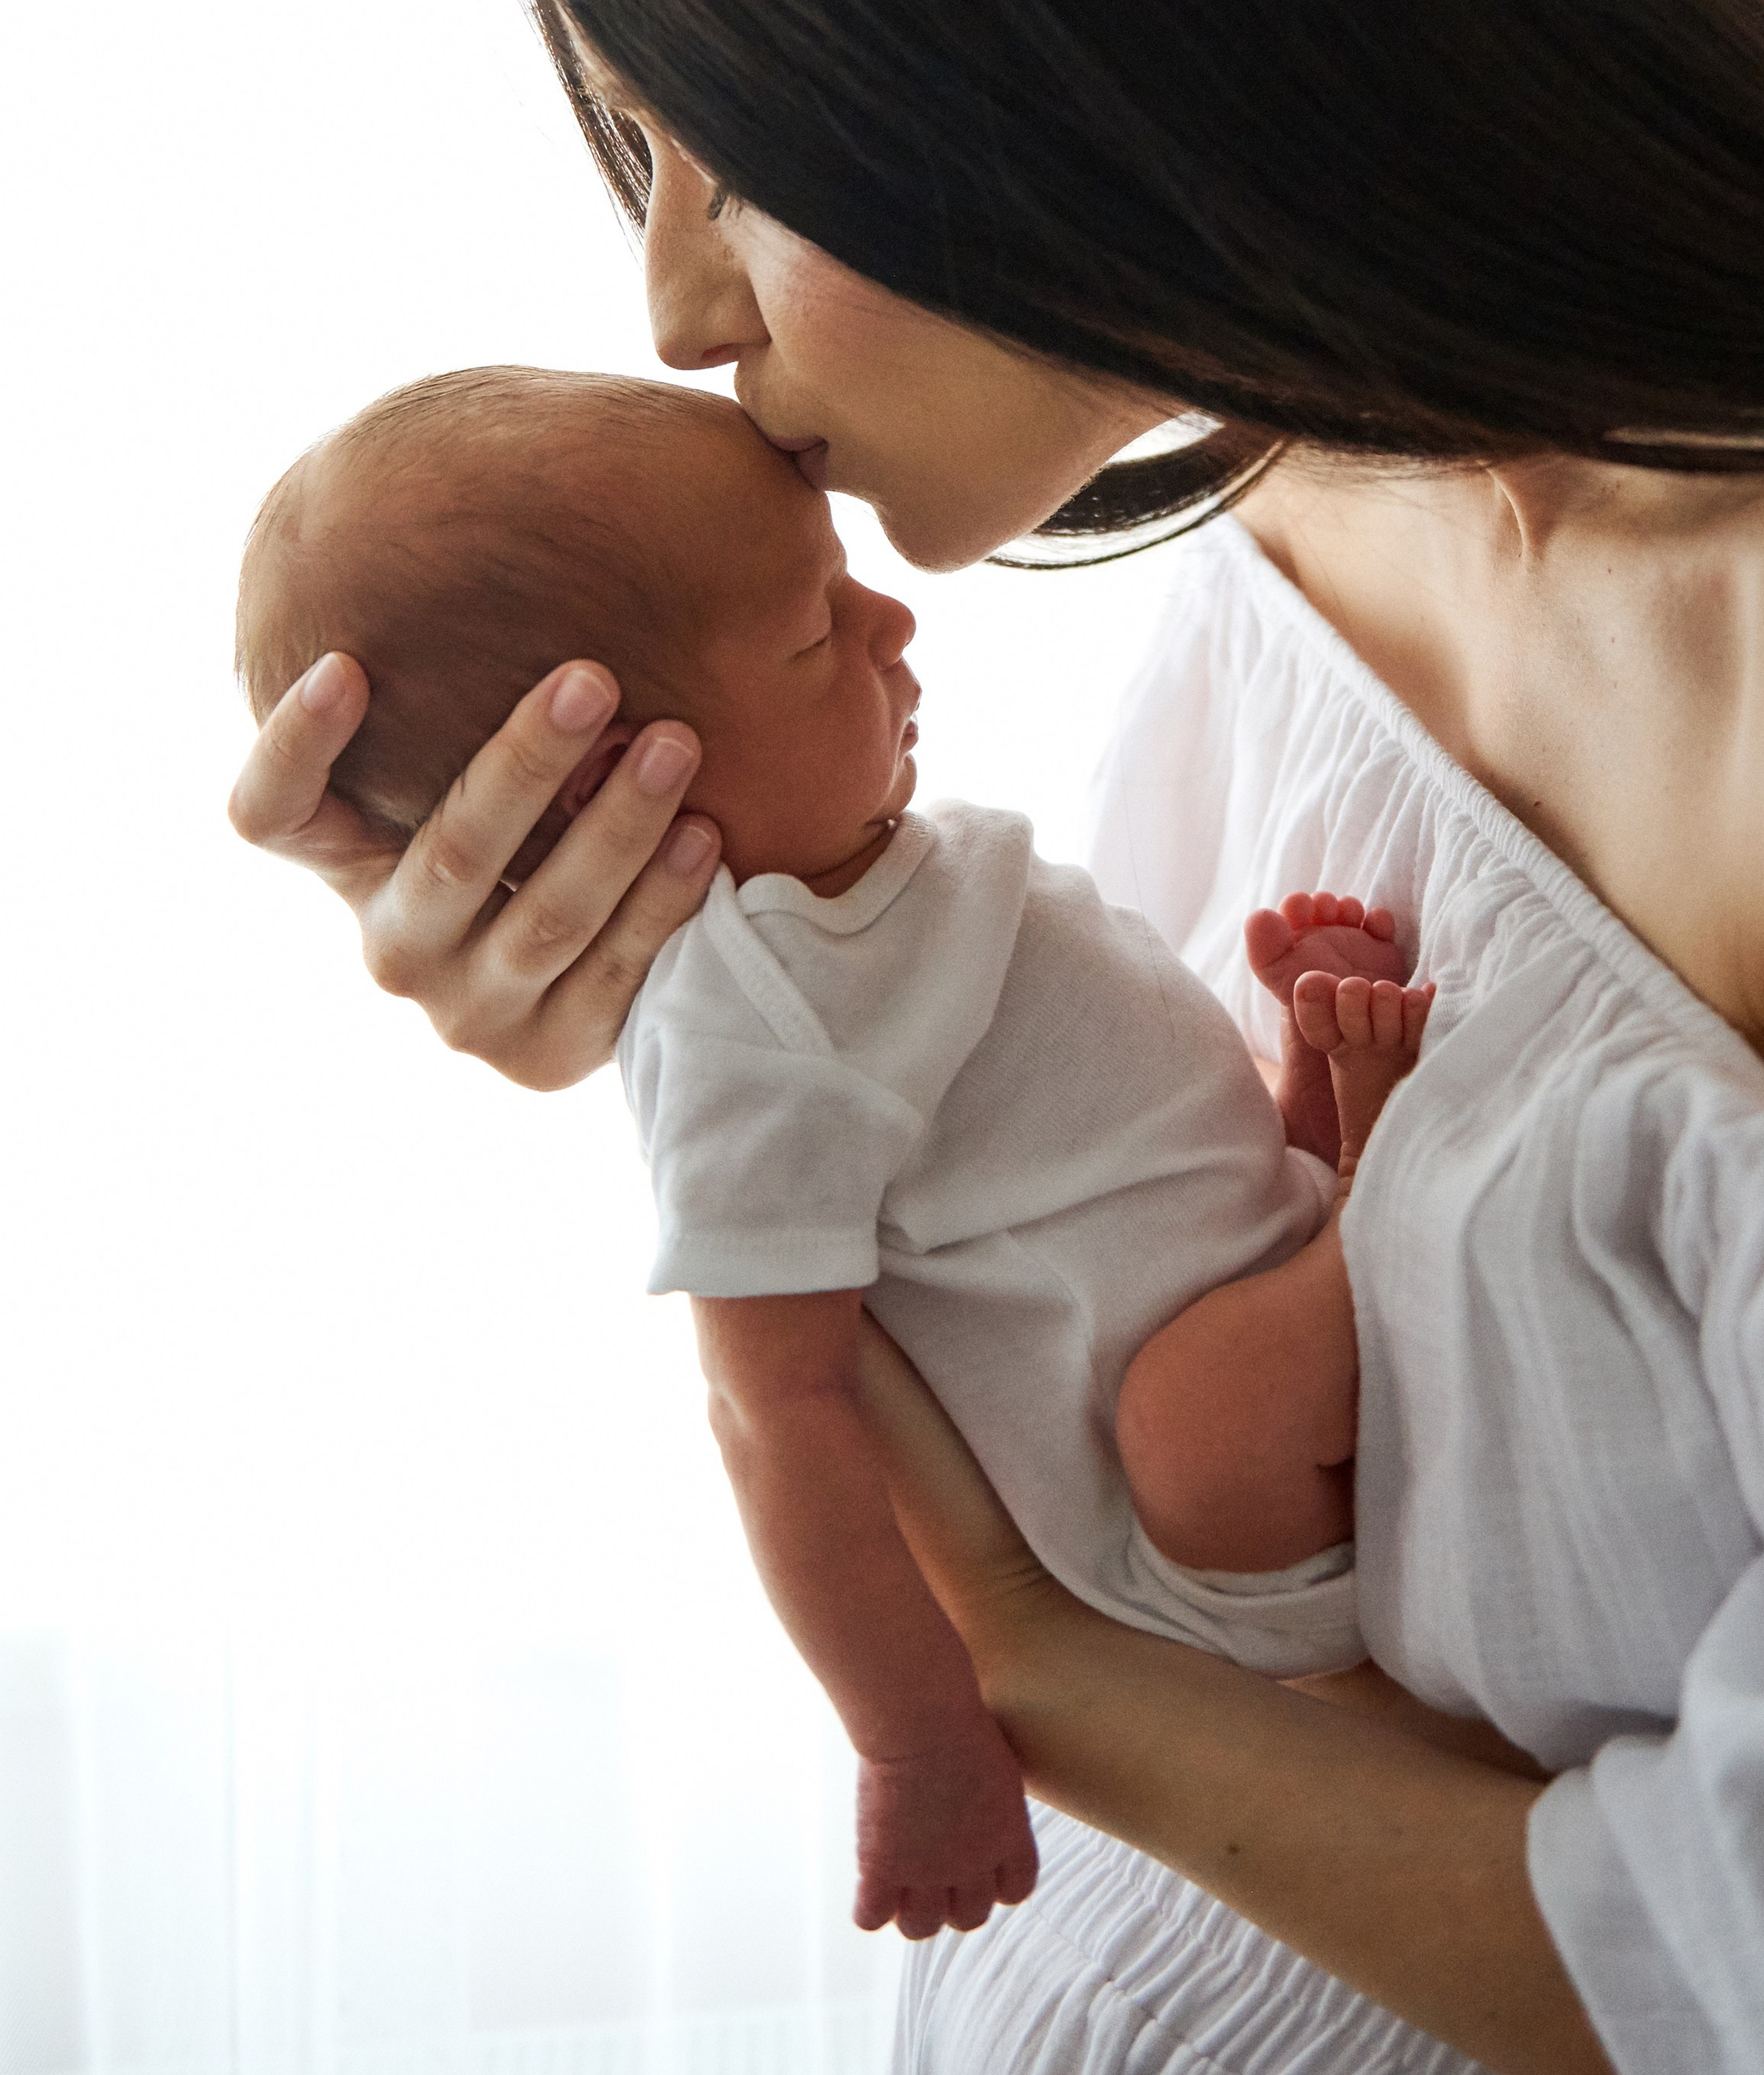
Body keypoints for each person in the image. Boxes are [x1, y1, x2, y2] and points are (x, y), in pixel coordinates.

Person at [229, 0, 1764, 2075]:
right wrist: (671, 985)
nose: (671, 303)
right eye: (631, 161)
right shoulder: (1287, 531)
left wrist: (1012, 1668)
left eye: (710, 136)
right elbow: (1159, 1376)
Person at [233, 364, 1432, 1937]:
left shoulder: (864, 887)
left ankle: (1326, 1158)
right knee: (1200, 1414)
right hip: (1203, 1538)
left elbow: (1118, 1161)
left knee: (1202, 1270)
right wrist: (918, 1735)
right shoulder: (752, 1023)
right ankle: (1384, 1184)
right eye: (816, 635)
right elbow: (772, 1410)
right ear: (615, 781)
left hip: (1214, 1256)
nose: (893, 629)